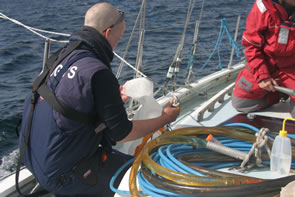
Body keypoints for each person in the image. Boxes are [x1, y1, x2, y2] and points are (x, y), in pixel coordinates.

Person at [18, 2, 180, 197]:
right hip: (63, 174)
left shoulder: (61, 56)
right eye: (118, 39)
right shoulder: (98, 72)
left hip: (32, 158)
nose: (116, 44)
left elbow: (68, 106)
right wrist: (165, 118)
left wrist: (112, 103)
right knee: (149, 174)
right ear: (108, 33)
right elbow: (123, 134)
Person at [232, 0, 295, 117]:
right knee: (241, 103)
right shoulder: (263, 7)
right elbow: (251, 45)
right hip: (265, 64)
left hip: (291, 68)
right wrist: (262, 75)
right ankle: (278, 94)